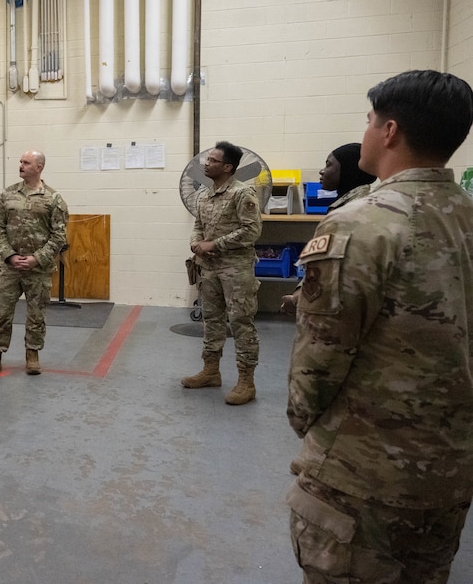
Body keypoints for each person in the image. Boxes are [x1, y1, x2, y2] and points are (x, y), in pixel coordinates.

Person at [286, 69, 473, 582]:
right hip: (451, 466)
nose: (365, 131)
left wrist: (307, 424)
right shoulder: (466, 214)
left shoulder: (362, 221)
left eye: (369, 121)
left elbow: (321, 355)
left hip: (364, 472)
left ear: (389, 131)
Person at [182, 141, 262, 405]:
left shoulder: (242, 193)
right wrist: (196, 243)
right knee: (212, 320)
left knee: (241, 323)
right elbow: (198, 225)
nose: (206, 163)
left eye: (213, 161)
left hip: (236, 270)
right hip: (209, 269)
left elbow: (251, 231)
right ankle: (211, 371)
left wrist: (214, 244)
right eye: (207, 159)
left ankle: (246, 382)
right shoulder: (205, 195)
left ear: (228, 167)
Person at [0, 150, 69, 376]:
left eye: (26, 162)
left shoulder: (53, 199)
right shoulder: (7, 196)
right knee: (2, 313)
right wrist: (9, 256)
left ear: (39, 167)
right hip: (10, 268)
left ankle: (32, 353)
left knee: (36, 315)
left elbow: (59, 236)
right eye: (20, 161)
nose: (20, 165)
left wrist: (36, 258)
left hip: (38, 270)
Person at [279, 143, 375, 314]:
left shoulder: (355, 211)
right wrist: (299, 294)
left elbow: (330, 267)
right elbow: (321, 261)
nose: (322, 171)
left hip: (342, 308)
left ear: (348, 170)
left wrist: (302, 296)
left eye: (329, 165)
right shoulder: (344, 206)